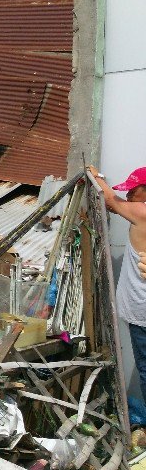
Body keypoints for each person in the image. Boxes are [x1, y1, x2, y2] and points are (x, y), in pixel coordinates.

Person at [88, 165, 146, 397]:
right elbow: (116, 206)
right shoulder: (139, 213)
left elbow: (111, 201)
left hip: (142, 311)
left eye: (133, 190)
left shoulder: (142, 213)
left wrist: (95, 175)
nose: (129, 195)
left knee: (145, 369)